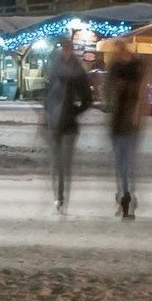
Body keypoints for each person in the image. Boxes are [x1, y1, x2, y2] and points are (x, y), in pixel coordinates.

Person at [41, 38, 93, 214]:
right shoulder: (52, 70)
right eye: (63, 48)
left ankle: (62, 198)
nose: (65, 52)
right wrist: (48, 112)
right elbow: (46, 98)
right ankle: (58, 196)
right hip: (54, 123)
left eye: (68, 48)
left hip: (69, 124)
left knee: (65, 164)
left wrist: (73, 111)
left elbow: (87, 100)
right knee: (57, 163)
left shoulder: (78, 72)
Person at [103, 47, 149, 219]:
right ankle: (125, 195)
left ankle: (126, 196)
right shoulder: (117, 70)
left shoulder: (136, 70)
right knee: (122, 163)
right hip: (119, 123)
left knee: (126, 163)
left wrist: (140, 116)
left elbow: (142, 97)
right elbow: (108, 95)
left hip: (130, 123)